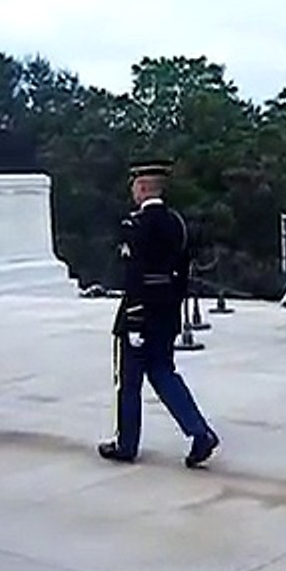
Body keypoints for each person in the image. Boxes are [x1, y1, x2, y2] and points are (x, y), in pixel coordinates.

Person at [98, 158, 220, 468]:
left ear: (141, 188)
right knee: (164, 373)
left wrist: (136, 318)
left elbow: (133, 275)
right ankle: (199, 432)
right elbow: (183, 272)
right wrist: (172, 309)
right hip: (167, 313)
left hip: (140, 314)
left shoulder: (135, 225)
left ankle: (126, 444)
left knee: (129, 382)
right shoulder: (176, 223)